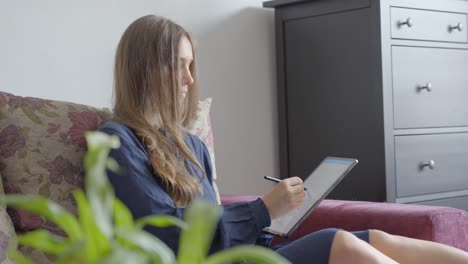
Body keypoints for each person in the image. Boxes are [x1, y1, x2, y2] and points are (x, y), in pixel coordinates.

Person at [98, 14, 468, 264]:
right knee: (339, 242)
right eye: (179, 65)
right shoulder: (116, 143)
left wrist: (269, 220)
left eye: (191, 66)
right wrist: (261, 210)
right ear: (145, 68)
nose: (189, 79)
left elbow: (212, 221)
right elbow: (165, 233)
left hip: (247, 252)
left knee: (377, 237)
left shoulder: (191, 145)